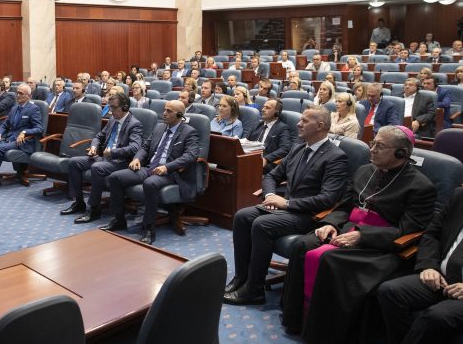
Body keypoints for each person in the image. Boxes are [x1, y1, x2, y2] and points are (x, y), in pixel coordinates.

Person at [280, 126, 435, 344]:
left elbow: (407, 230)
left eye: (380, 146)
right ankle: (296, 320)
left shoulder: (420, 186)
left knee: (331, 259)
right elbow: (345, 206)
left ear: (401, 153)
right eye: (373, 143)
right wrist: (331, 224)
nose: (372, 149)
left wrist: (362, 236)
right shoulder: (364, 170)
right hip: (347, 229)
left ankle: (323, 333)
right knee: (303, 244)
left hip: (381, 246)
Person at [224, 107, 349, 305]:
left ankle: (255, 290)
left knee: (262, 224)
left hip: (310, 215)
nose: (298, 124)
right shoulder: (298, 148)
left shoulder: (336, 157)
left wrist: (287, 203)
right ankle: (242, 277)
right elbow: (271, 176)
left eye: (305, 121)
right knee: (242, 216)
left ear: (320, 126)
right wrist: (271, 195)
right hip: (285, 209)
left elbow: (328, 198)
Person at [377, 187, 463, 344]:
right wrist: (429, 266)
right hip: (442, 278)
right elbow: (432, 234)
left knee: (437, 316)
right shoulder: (459, 196)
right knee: (390, 291)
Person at [102, 100, 200, 245]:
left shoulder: (189, 132)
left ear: (180, 115)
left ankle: (149, 228)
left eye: (169, 111)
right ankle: (119, 220)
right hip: (150, 167)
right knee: (116, 177)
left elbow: (191, 155)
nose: (164, 113)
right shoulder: (159, 127)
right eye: (164, 110)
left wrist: (167, 167)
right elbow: (145, 147)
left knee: (150, 183)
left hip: (171, 173)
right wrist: (137, 159)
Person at [63, 92, 143, 223]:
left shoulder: (134, 124)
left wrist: (113, 152)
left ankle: (94, 209)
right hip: (106, 158)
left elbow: (135, 147)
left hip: (121, 162)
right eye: (109, 107)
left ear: (125, 107)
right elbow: (99, 136)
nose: (111, 111)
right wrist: (94, 147)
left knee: (97, 167)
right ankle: (78, 202)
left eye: (114, 108)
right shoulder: (112, 120)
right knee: (73, 162)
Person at [0, 84, 43, 194]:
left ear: (28, 96)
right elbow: (5, 124)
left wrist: (25, 132)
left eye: (21, 93)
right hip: (10, 138)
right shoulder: (14, 108)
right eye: (17, 92)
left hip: (23, 142)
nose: (18, 95)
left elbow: (39, 128)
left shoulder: (33, 109)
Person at [249, 99, 292, 173]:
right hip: (249, 158)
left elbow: (285, 149)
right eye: (263, 107)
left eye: (267, 108)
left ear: (277, 112)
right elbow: (246, 141)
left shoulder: (282, 128)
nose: (263, 109)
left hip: (266, 164)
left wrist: (266, 159)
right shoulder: (257, 125)